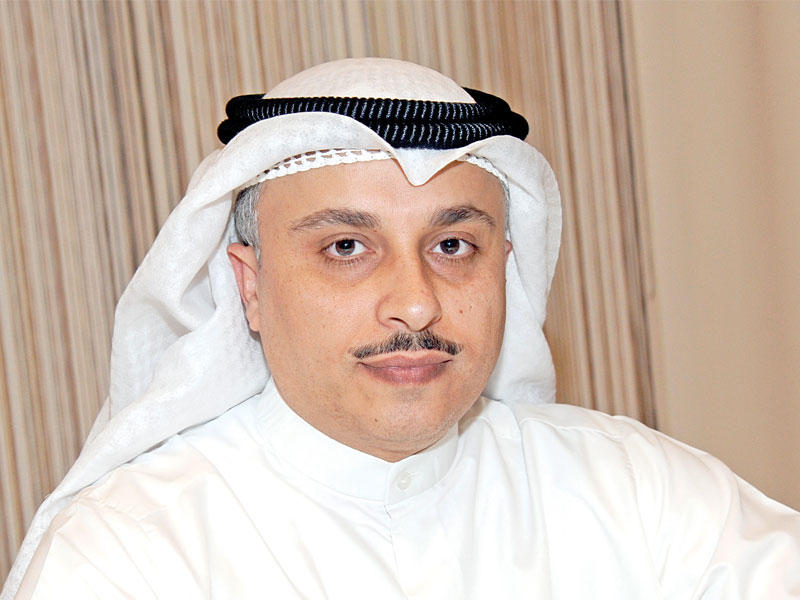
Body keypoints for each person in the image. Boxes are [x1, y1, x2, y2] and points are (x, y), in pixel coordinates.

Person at [3, 58, 799, 599]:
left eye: (453, 246)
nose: (415, 305)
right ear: (250, 288)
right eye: (347, 248)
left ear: (504, 269)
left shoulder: (643, 496)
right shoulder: (128, 555)